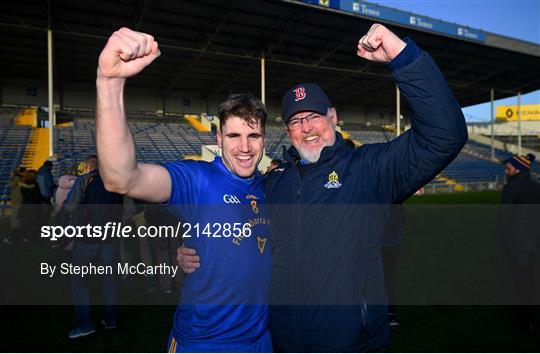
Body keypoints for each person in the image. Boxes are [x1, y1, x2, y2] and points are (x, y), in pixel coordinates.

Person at [179, 23, 468, 351]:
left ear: (333, 117)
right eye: (296, 121)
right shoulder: (272, 185)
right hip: (284, 340)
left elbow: (445, 135)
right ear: (288, 131)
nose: (307, 128)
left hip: (351, 342)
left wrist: (404, 59)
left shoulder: (368, 170)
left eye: (314, 116)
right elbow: (236, 233)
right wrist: (193, 252)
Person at [95, 27, 272, 352]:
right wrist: (109, 82)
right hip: (203, 343)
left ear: (264, 140)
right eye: (234, 136)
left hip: (260, 341)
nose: (244, 147)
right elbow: (121, 178)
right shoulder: (197, 179)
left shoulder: (269, 187)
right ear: (219, 140)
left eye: (253, 136)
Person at [64, 155, 124, 339]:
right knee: (109, 280)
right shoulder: (117, 183)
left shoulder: (84, 180)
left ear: (89, 166)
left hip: (86, 237)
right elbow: (128, 209)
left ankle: (85, 324)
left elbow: (70, 207)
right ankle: (111, 320)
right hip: (110, 236)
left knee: (79, 282)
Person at [497, 153, 540, 335]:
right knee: (529, 280)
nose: (506, 171)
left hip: (518, 243)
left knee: (521, 282)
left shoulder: (511, 189)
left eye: (508, 168)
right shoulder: (537, 187)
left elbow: (504, 220)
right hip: (534, 240)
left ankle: (524, 320)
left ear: (518, 169)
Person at [3, 167, 25, 246]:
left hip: (16, 201)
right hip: (18, 202)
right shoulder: (18, 180)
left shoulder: (15, 180)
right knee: (16, 220)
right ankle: (11, 237)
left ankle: (18, 236)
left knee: (17, 219)